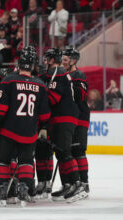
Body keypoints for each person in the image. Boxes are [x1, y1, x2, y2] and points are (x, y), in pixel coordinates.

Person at [0, 48, 50, 206]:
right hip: (29, 131)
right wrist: (43, 126)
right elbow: (44, 113)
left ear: (19, 64)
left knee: (3, 160)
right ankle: (24, 190)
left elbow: (1, 107)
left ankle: (3, 191)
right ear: (32, 66)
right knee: (26, 160)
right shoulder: (40, 85)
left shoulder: (8, 80)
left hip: (9, 129)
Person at [39, 48, 87, 202]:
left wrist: (39, 94)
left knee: (65, 152)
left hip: (65, 117)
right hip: (61, 117)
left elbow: (53, 99)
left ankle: (78, 185)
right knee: (60, 152)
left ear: (52, 59)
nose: (45, 61)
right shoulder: (56, 73)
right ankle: (69, 184)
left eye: (47, 58)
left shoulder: (58, 73)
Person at [62, 48, 90, 195]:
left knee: (78, 151)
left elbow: (80, 95)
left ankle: (84, 183)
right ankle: (72, 183)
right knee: (70, 151)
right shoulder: (65, 74)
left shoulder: (78, 74)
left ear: (73, 60)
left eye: (66, 59)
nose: (64, 62)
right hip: (72, 118)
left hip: (80, 118)